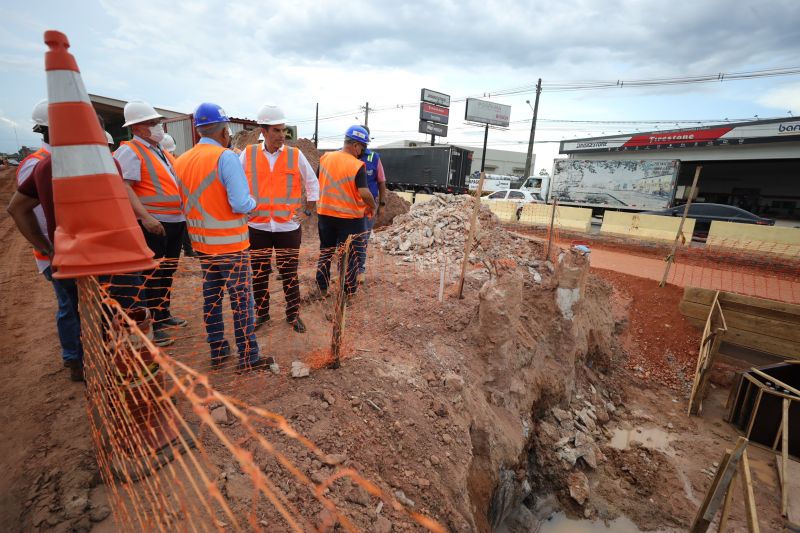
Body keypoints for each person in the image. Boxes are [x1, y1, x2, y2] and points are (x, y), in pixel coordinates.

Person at [174, 103, 270, 373]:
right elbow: (240, 203)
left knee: (212, 299)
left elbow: (181, 203)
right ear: (224, 131)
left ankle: (217, 349)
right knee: (242, 303)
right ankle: (249, 356)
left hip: (203, 245)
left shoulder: (181, 160)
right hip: (231, 245)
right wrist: (254, 203)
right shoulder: (225, 158)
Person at [7, 99, 83, 381]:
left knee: (75, 307)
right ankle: (74, 359)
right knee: (69, 307)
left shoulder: (60, 160)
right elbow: (23, 210)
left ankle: (79, 355)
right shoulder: (38, 163)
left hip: (68, 252)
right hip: (57, 254)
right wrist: (46, 247)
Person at [114, 101, 188, 347]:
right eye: (153, 123)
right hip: (153, 224)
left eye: (158, 122)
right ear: (137, 127)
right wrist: (145, 217)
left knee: (167, 271)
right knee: (152, 274)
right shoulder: (130, 151)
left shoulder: (161, 152)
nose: (159, 127)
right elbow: (125, 187)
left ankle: (163, 313)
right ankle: (153, 322)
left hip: (174, 221)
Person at [240, 105, 319, 333]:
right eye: (276, 130)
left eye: (283, 130)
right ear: (263, 131)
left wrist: (307, 212)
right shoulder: (248, 154)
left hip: (287, 227)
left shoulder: (295, 155)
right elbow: (234, 184)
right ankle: (262, 314)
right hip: (257, 226)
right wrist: (243, 210)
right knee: (259, 273)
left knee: (289, 273)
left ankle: (293, 315)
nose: (281, 136)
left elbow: (312, 182)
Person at [314, 125, 376, 299]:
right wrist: (372, 206)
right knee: (350, 256)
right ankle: (348, 292)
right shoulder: (357, 165)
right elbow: (364, 192)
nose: (361, 152)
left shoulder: (325, 157)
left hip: (325, 214)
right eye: (362, 148)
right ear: (356, 145)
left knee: (326, 251)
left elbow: (317, 181)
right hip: (350, 219)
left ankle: (321, 288)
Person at [355, 125, 386, 282]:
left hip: (367, 206)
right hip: (348, 205)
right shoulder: (345, 155)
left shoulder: (374, 157)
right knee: (344, 239)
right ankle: (344, 269)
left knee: (363, 238)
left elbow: (381, 182)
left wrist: (381, 204)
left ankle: (360, 269)